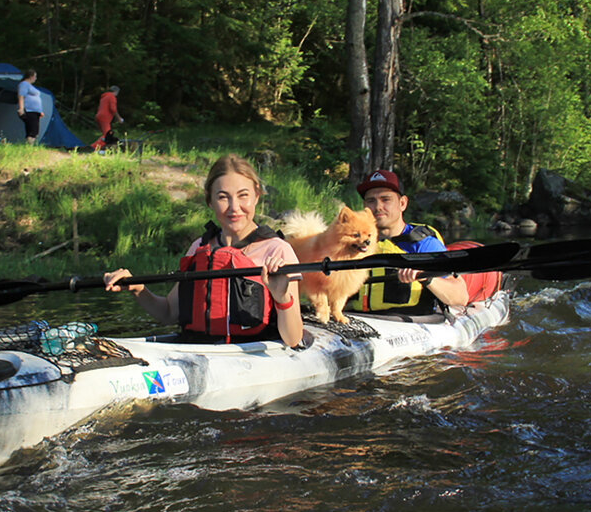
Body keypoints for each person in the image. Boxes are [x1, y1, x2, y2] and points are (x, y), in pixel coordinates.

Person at [104, 154, 304, 347]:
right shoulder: (199, 248)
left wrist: (282, 298)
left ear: (257, 196)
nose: (234, 208)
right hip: (200, 351)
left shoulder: (278, 251)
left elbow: (293, 339)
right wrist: (137, 288)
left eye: (243, 196)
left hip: (251, 357)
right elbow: (168, 313)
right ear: (210, 201)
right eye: (223, 197)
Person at [352, 169, 468, 314]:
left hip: (409, 322)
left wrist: (426, 278)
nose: (378, 207)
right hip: (357, 318)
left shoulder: (423, 244)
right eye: (371, 201)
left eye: (385, 199)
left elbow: (461, 296)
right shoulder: (352, 243)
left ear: (402, 203)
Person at [16, 69, 45, 144]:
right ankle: (29, 146)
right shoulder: (24, 84)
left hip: (35, 111)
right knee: (32, 130)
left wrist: (40, 111)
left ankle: (29, 145)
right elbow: (21, 96)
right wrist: (21, 108)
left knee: (34, 130)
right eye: (35, 76)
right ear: (31, 76)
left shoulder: (30, 86)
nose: (35, 78)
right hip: (29, 110)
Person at [93, 85, 124, 150]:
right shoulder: (112, 97)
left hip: (98, 116)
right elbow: (113, 109)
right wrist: (119, 118)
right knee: (107, 136)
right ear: (116, 91)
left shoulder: (104, 97)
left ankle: (102, 149)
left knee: (105, 135)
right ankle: (93, 148)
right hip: (104, 117)